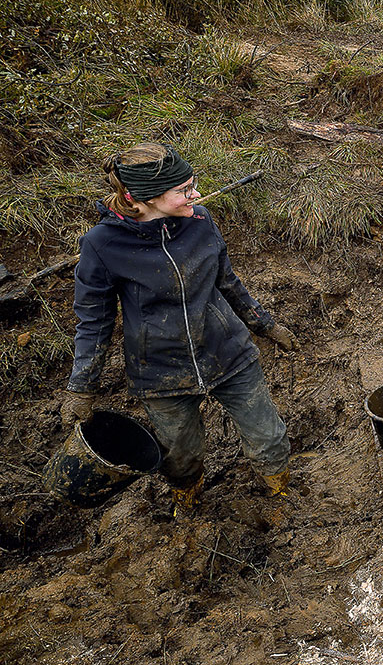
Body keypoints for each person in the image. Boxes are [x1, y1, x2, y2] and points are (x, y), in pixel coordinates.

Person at [58, 143, 297, 514]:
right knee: (180, 455)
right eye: (184, 190)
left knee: (268, 437)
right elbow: (95, 321)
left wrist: (265, 325)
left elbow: (228, 281)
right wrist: (81, 389)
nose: (196, 195)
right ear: (144, 198)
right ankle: (187, 495)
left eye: (193, 185)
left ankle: (279, 491)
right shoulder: (101, 246)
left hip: (226, 351)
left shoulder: (200, 222)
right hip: (160, 371)